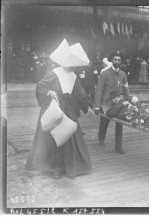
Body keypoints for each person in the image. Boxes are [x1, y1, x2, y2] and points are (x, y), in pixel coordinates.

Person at [25, 39, 94, 179]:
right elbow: (41, 86)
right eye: (68, 64)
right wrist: (48, 92)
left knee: (67, 135)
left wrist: (88, 106)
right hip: (55, 107)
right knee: (53, 137)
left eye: (72, 65)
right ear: (63, 62)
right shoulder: (54, 73)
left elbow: (80, 93)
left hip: (68, 109)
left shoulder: (74, 76)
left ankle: (69, 166)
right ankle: (54, 168)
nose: (70, 67)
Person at [94, 50, 133, 154]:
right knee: (104, 122)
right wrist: (97, 106)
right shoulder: (104, 73)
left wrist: (130, 100)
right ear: (111, 60)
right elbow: (99, 90)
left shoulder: (123, 74)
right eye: (115, 59)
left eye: (119, 60)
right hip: (106, 103)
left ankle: (118, 146)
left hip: (118, 103)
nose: (117, 61)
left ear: (121, 62)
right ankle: (101, 138)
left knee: (119, 123)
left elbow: (126, 90)